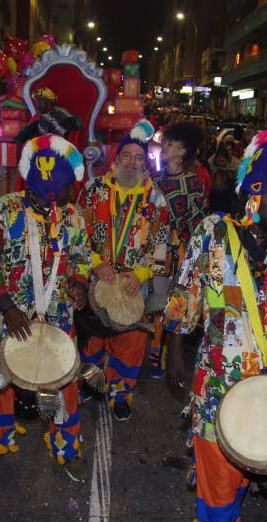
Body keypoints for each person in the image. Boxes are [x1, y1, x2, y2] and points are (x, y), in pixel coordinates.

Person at [164, 129, 267, 522]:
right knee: (217, 491)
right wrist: (175, 352)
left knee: (243, 478)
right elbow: (187, 295)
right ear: (251, 191)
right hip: (219, 382)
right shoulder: (215, 235)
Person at [0, 134, 91, 480]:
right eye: (71, 183)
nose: (76, 189)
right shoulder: (5, 210)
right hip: (8, 318)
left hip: (58, 317)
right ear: (52, 185)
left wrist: (80, 284)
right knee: (0, 382)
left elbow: (82, 259)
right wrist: (9, 309)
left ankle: (67, 445)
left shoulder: (74, 217)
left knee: (66, 380)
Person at [77, 121, 169, 421]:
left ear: (146, 163)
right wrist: (95, 263)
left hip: (134, 280)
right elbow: (75, 233)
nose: (132, 162)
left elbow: (162, 242)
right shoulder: (93, 191)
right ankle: (91, 382)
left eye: (138, 158)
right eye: (126, 156)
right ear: (115, 160)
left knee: (130, 342)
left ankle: (121, 393)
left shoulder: (155, 198)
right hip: (98, 277)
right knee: (94, 337)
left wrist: (141, 275)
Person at [151, 121, 208, 377]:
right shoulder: (156, 178)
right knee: (156, 300)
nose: (164, 147)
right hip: (157, 251)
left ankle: (166, 356)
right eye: (165, 142)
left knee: (175, 304)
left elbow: (198, 223)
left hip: (182, 253)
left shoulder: (194, 182)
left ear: (183, 151)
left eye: (171, 144)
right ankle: (154, 351)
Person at [15, 87, 80, 143]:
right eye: (36, 101)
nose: (37, 105)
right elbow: (23, 135)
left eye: (40, 101)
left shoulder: (64, 115)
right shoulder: (39, 119)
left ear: (49, 101)